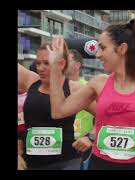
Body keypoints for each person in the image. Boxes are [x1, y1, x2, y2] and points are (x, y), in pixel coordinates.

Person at [47, 19, 135, 170]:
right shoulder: (98, 83)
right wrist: (55, 68)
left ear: (122, 48)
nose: (98, 55)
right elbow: (58, 111)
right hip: (100, 165)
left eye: (103, 48)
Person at [17, 42, 96, 170]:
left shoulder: (75, 88)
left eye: (47, 63)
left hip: (66, 162)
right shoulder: (31, 81)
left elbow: (105, 114)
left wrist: (90, 137)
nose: (41, 68)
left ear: (61, 63)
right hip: (30, 162)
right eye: (38, 63)